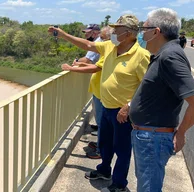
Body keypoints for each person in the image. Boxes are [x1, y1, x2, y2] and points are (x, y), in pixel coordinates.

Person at [49, 14, 150, 192]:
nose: (113, 33)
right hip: (106, 106)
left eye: (116, 30)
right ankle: (104, 170)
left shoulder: (141, 56)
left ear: (128, 34)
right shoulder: (111, 46)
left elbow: (146, 87)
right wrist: (63, 34)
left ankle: (119, 184)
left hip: (123, 113)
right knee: (105, 144)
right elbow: (88, 45)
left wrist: (128, 106)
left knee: (122, 150)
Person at [130, 8, 194, 192]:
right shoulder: (164, 54)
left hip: (153, 138)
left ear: (156, 32)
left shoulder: (169, 56)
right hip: (149, 136)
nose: (141, 33)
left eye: (144, 28)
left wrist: (180, 133)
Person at [61, 26, 113, 159]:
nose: (100, 40)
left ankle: (101, 151)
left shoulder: (110, 49)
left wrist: (72, 69)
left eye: (103, 37)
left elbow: (95, 68)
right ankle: (101, 146)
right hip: (99, 91)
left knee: (103, 124)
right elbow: (97, 66)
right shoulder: (109, 49)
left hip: (103, 93)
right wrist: (80, 65)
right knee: (102, 123)